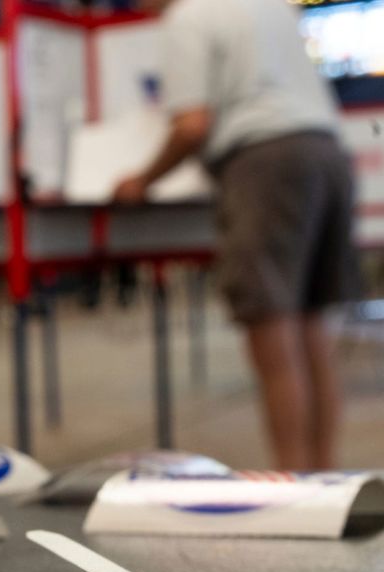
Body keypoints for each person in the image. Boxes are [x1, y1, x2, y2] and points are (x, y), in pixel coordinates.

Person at [115, 0, 358, 470]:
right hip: (327, 155)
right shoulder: (272, 6)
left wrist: (142, 181)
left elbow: (192, 125)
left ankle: (292, 487)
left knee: (272, 328)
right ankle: (325, 482)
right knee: (312, 331)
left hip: (264, 164)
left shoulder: (188, 17)